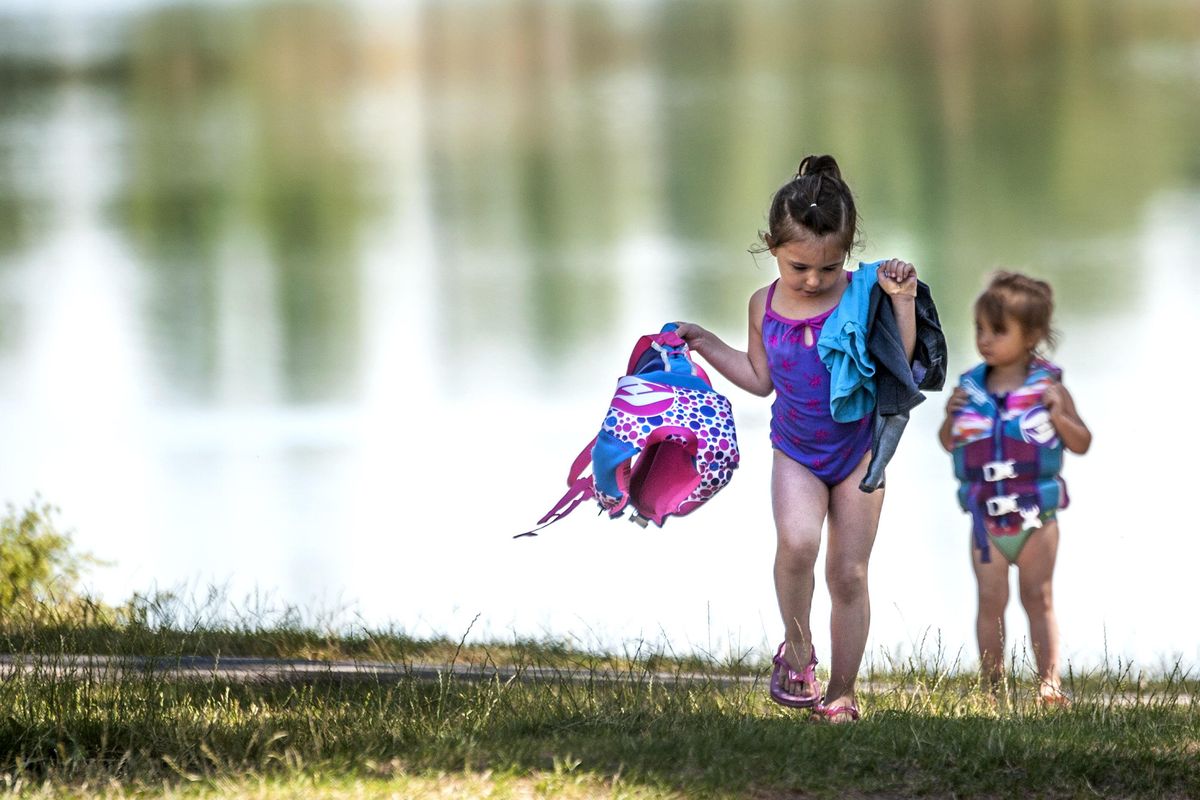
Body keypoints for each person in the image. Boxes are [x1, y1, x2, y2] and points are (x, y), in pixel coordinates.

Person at [675, 155, 918, 722]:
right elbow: (760, 380)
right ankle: (799, 650)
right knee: (798, 546)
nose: (813, 280)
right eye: (798, 267)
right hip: (797, 452)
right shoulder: (763, 304)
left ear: (848, 254)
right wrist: (704, 341)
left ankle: (842, 693)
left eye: (828, 269)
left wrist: (902, 301)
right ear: (772, 246)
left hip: (860, 453)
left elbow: (898, 366)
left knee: (849, 573)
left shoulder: (864, 296)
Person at [938, 272, 1091, 704]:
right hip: (986, 522)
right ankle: (992, 685)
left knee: (1038, 598)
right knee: (990, 601)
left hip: (1036, 520)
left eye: (998, 331)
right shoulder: (969, 390)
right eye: (980, 330)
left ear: (1033, 336)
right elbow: (950, 442)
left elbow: (1082, 442)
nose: (985, 340)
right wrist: (950, 418)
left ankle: (1049, 682)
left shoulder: (1049, 388)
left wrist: (1060, 417)